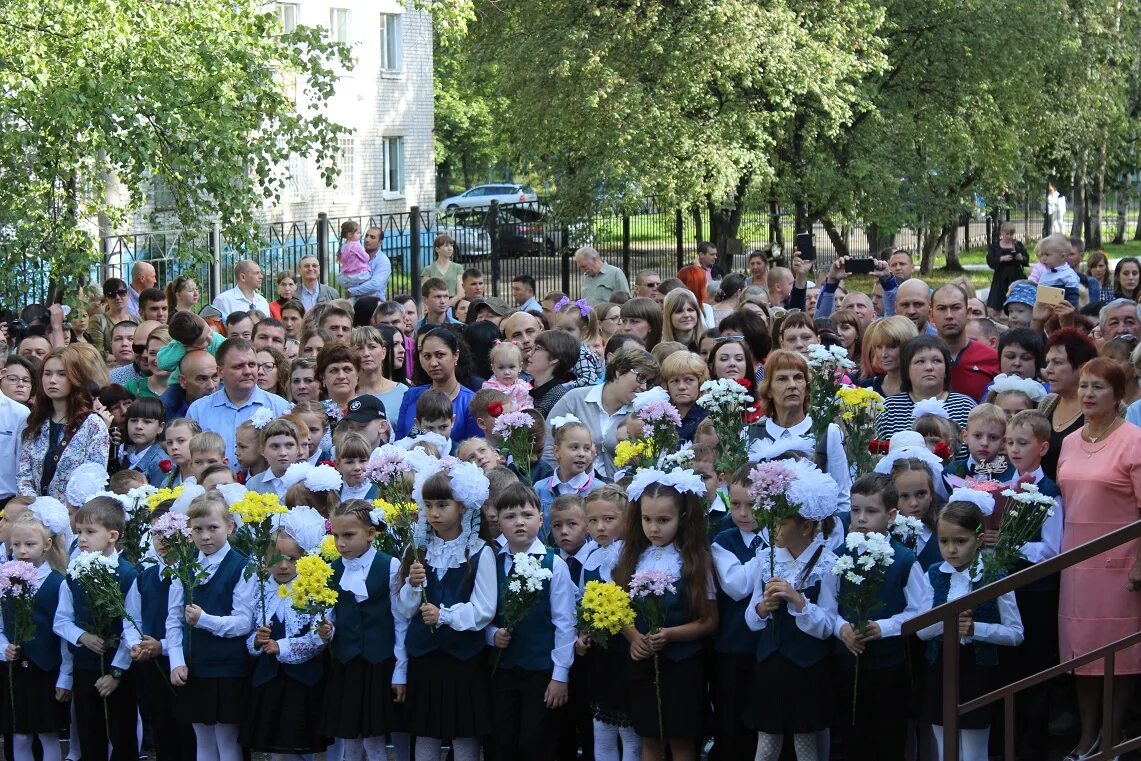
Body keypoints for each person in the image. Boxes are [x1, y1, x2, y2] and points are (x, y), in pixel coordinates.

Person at [1055, 357, 1141, 761]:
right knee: (1079, 652)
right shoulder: (1071, 441)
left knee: (1118, 656)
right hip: (1075, 563)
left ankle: (1112, 735)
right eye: (1084, 386)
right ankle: (1086, 735)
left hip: (1121, 564)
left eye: (1098, 387)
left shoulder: (1134, 440)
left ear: (1118, 394)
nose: (1088, 394)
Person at [398, 460, 496, 761]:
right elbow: (403, 609)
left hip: (462, 660)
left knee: (463, 734)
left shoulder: (480, 551)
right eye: (428, 505)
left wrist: (446, 616)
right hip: (426, 658)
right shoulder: (417, 550)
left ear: (463, 507)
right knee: (425, 733)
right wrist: (413, 586)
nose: (434, 513)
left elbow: (485, 609)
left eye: (442, 504)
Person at [615, 472, 716, 761]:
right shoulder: (633, 556)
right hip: (644, 663)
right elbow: (619, 606)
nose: (653, 528)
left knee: (681, 741)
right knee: (650, 737)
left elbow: (709, 621)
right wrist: (633, 636)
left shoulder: (695, 560)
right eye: (647, 519)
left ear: (682, 517)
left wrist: (670, 634)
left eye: (663, 520)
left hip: (683, 665)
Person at [743, 462, 841, 761]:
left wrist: (799, 603)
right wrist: (763, 608)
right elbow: (751, 617)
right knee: (767, 742)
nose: (774, 529)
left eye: (781, 522)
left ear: (807, 526)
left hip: (807, 665)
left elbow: (828, 623)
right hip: (771, 663)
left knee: (805, 742)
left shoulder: (827, 563)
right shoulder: (766, 559)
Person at [916, 494, 1024, 761]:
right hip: (939, 666)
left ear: (978, 538)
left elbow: (1015, 633)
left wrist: (977, 629)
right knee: (944, 746)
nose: (951, 549)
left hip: (977, 671)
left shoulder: (994, 575)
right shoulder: (932, 574)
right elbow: (920, 629)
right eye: (944, 541)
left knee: (974, 750)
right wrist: (948, 622)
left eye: (960, 541)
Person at [832, 473, 931, 761]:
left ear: (890, 515)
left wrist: (884, 627)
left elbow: (921, 609)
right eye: (855, 510)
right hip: (846, 663)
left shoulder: (903, 559)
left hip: (889, 666)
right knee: (852, 739)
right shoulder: (838, 555)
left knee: (888, 737)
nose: (861, 518)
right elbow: (827, 607)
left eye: (871, 511)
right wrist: (842, 629)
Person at [312, 498, 409, 760]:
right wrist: (325, 631)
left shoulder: (389, 566)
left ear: (370, 534)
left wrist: (400, 671)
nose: (341, 543)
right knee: (349, 737)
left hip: (378, 664)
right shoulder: (331, 570)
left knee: (374, 740)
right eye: (336, 536)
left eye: (349, 535)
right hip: (346, 665)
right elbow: (328, 618)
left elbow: (400, 621)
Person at [485, 483, 576, 761]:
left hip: (541, 670)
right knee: (501, 741)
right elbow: (483, 609)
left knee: (536, 742)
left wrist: (560, 675)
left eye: (526, 514)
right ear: (498, 522)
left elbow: (564, 622)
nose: (519, 522)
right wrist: (491, 635)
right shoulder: (492, 560)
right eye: (510, 516)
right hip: (502, 668)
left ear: (540, 518)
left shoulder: (554, 564)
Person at [165, 491, 256, 761]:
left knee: (226, 738)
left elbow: (243, 622)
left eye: (213, 528)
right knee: (202, 738)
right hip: (194, 665)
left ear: (230, 527)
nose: (205, 536)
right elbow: (172, 619)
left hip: (226, 667)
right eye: (198, 530)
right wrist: (176, 661)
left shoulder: (241, 566)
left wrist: (205, 620)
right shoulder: (185, 565)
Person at [0, 505, 69, 761]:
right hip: (14, 670)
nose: (22, 551)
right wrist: (4, 647)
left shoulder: (57, 583)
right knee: (19, 734)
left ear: (47, 544)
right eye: (16, 545)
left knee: (47, 733)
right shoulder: (5, 580)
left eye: (29, 544)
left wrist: (65, 677)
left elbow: (63, 633)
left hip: (45, 670)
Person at [750, 349, 852, 509]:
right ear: (768, 390)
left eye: (798, 378)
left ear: (806, 386)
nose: (792, 385)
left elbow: (842, 498)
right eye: (782, 379)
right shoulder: (750, 434)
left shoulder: (828, 432)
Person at [543, 348, 658, 480]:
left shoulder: (641, 415)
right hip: (571, 491)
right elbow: (549, 450)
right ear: (619, 371)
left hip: (619, 493)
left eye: (648, 382)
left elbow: (647, 464)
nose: (644, 387)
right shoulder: (574, 400)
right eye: (641, 377)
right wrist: (560, 486)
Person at [711, 468, 762, 761]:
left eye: (751, 505)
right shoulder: (723, 540)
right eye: (735, 504)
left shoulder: (780, 534)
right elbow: (736, 586)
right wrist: (770, 552)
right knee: (731, 721)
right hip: (732, 645)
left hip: (768, 647)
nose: (742, 513)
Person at [18, 347, 112, 502]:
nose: (52, 380)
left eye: (62, 374)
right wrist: (36, 509)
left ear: (76, 378)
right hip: (33, 515)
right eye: (47, 374)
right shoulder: (36, 420)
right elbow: (24, 475)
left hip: (73, 517)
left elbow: (93, 479)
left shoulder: (93, 425)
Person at [186, 338, 292, 463]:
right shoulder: (198, 410)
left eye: (252, 365)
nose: (247, 371)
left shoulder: (279, 407)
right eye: (239, 366)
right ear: (220, 372)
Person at [876, 335, 977, 441]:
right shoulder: (887, 409)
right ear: (907, 371)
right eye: (920, 361)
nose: (929, 367)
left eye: (937, 361)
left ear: (946, 369)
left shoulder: (965, 407)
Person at [394, 328, 481, 445]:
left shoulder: (470, 402)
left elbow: (475, 449)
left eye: (440, 355)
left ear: (456, 355)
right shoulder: (411, 395)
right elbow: (399, 442)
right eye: (427, 356)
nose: (433, 363)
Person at [1038, 328, 1098, 480]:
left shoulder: (1103, 408)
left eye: (1057, 362)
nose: (1048, 370)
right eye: (1048, 362)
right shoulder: (1047, 402)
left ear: (1082, 367)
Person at [931, 285, 998, 402]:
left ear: (967, 312)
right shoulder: (918, 358)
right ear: (930, 315)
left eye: (956, 308)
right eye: (941, 309)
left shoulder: (993, 358)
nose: (949, 315)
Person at [534, 417, 599, 537]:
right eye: (574, 447)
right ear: (557, 451)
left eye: (587, 448)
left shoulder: (599, 490)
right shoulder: (540, 488)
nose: (581, 454)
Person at [528, 331, 577, 417]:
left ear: (554, 358)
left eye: (537, 348)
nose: (529, 353)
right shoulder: (524, 388)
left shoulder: (559, 397)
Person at [985, 222, 1029, 318]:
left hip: (1016, 277)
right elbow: (990, 261)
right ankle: (995, 326)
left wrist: (1021, 258)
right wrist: (1001, 259)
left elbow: (1026, 259)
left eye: (1011, 234)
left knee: (1017, 305)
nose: (1009, 237)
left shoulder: (1018, 246)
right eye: (1007, 234)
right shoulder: (995, 247)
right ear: (1002, 233)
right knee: (997, 307)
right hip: (1000, 279)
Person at [1028, 234, 1080, 307]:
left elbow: (1073, 297)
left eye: (1047, 255)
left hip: (1060, 312)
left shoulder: (1068, 275)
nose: (1043, 258)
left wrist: (1069, 312)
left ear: (1062, 256)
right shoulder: (1045, 273)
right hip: (1043, 311)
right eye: (1042, 255)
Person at [483, 341, 532, 412]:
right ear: (493, 368)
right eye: (501, 367)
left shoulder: (523, 386)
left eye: (511, 367)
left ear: (520, 367)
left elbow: (528, 403)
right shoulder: (490, 388)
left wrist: (524, 413)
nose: (507, 372)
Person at [316, 343, 361, 416]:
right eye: (334, 370)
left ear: (357, 375)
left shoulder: (371, 409)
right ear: (322, 377)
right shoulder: (314, 414)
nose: (341, 376)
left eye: (347, 369)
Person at [337, 220, 372, 291]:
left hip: (347, 275)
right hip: (359, 274)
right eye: (358, 233)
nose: (360, 235)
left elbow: (341, 260)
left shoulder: (344, 246)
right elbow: (365, 258)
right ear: (350, 234)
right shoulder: (356, 245)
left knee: (351, 291)